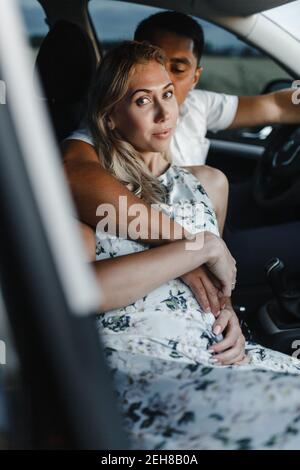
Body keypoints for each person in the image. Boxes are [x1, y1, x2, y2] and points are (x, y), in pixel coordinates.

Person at [78, 41, 300, 450]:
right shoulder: (93, 195)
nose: (166, 113)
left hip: (217, 355)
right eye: (143, 101)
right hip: (141, 364)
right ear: (111, 118)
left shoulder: (210, 183)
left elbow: (218, 284)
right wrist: (199, 247)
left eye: (168, 93)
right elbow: (86, 292)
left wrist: (230, 317)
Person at [63, 10, 300, 306]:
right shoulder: (108, 126)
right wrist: (192, 247)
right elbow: (73, 174)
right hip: (175, 249)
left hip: (206, 229)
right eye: (153, 60)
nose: (162, 73)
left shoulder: (199, 106)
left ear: (195, 75)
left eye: (177, 68)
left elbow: (278, 106)